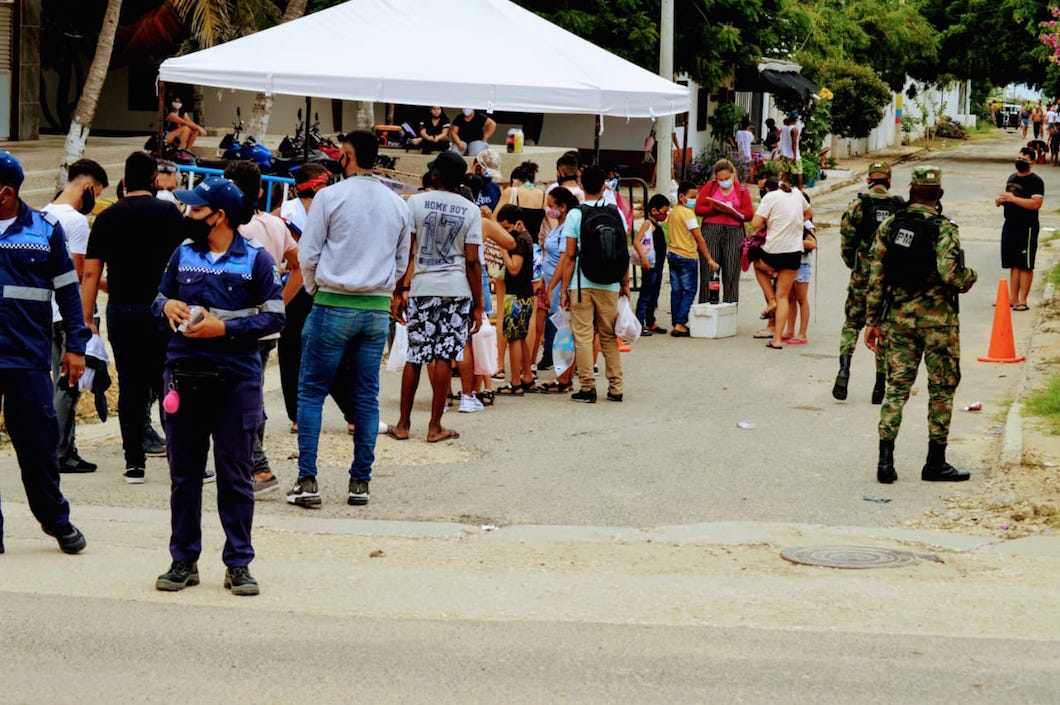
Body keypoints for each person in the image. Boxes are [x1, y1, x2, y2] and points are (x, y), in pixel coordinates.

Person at [153, 176, 285, 595]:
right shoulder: (182, 254)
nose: (188, 216)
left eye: (195, 210)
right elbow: (159, 298)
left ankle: (238, 564)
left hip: (236, 382)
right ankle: (183, 561)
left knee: (235, 477)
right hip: (184, 379)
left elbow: (276, 318)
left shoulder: (257, 261)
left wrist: (221, 329)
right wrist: (167, 305)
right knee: (185, 476)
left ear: (219, 216)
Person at [287, 130, 411, 510]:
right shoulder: (397, 204)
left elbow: (308, 253)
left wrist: (314, 289)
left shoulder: (329, 196)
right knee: (366, 397)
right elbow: (402, 261)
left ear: (346, 155)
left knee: (311, 391)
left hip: (332, 303)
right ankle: (360, 482)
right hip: (375, 311)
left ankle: (307, 479)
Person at [0, 150, 89, 556]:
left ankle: (55, 519)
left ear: (5, 192)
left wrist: (76, 346)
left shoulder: (44, 229)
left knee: (37, 445)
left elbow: (69, 292)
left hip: (27, 358)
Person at [865, 166, 977, 484]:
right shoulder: (945, 228)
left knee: (896, 389)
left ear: (912, 190)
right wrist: (970, 277)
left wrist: (873, 321)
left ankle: (885, 463)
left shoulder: (890, 224)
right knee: (941, 390)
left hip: (898, 320)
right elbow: (950, 274)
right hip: (939, 324)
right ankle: (935, 463)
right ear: (939, 194)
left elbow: (876, 276)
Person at [82, 151, 185, 484]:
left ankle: (134, 463)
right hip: (162, 310)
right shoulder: (169, 213)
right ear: (155, 181)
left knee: (130, 386)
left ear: (124, 182)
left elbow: (90, 273)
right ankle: (180, 459)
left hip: (122, 310)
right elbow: (184, 262)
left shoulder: (107, 217)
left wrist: (86, 318)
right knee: (168, 383)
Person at [390, 150, 483, 439]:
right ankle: (434, 427)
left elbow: (407, 252)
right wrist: (478, 305)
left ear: (435, 175)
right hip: (456, 290)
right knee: (444, 356)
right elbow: (472, 261)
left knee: (415, 355)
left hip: (421, 288)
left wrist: (398, 291)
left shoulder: (415, 203)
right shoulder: (470, 209)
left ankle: (403, 425)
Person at [223, 160, 300, 497]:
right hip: (264, 327)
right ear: (258, 191)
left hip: (238, 326)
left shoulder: (234, 230)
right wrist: (278, 302)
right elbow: (299, 266)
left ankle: (258, 466)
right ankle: (249, 465)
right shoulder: (274, 225)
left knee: (238, 397)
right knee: (250, 392)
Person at [43, 159, 108, 474]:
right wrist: (86, 319)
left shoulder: (42, 214)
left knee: (59, 381)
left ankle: (67, 448)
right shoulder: (77, 222)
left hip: (45, 311)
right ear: (88, 187)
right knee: (69, 384)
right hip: (67, 313)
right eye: (97, 192)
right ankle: (56, 452)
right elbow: (79, 275)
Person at [834, 161, 906, 403]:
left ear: (869, 180)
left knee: (852, 324)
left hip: (861, 275)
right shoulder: (899, 207)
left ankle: (844, 369)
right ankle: (879, 385)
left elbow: (846, 241)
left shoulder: (858, 205)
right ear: (889, 180)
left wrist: (855, 264)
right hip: (888, 278)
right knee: (883, 328)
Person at [558, 165, 628, 403]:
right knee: (608, 336)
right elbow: (623, 252)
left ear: (581, 185)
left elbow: (569, 255)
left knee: (584, 336)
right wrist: (625, 284)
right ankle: (616, 387)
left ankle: (587, 387)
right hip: (609, 284)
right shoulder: (616, 212)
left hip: (581, 282)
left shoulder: (576, 215)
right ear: (603, 186)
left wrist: (564, 290)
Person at [748, 175, 811, 349]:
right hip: (794, 252)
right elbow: (809, 213)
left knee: (756, 263)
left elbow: (755, 224)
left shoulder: (770, 197)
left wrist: (772, 221)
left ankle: (770, 300)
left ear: (769, 188)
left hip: (774, 250)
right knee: (784, 296)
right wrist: (794, 224)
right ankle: (777, 339)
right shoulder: (798, 194)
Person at [694, 159, 753, 304]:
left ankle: (729, 309)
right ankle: (707, 309)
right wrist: (714, 209)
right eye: (720, 179)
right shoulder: (710, 186)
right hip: (711, 231)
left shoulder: (742, 190)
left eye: (727, 179)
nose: (724, 182)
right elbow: (698, 209)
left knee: (731, 273)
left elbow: (749, 214)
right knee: (708, 272)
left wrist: (732, 211)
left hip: (734, 232)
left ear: (733, 174)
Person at [666, 181, 720, 337]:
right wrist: (709, 259)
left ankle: (676, 321)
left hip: (673, 254)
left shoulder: (674, 212)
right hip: (687, 256)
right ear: (682, 197)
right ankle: (680, 323)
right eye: (692, 197)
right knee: (689, 291)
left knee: (676, 291)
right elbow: (699, 237)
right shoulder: (688, 214)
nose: (694, 200)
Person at [995, 147, 1044, 311]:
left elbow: (1036, 203)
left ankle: (1023, 300)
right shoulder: (1012, 177)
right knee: (1013, 264)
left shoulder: (1035, 181)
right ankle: (1012, 298)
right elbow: (1010, 197)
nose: (1020, 161)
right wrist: (1002, 200)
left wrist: (1014, 199)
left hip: (1027, 227)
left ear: (1032, 162)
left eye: (1023, 160)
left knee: (1025, 265)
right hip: (1010, 224)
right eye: (1018, 158)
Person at [494, 204, 536, 395]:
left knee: (513, 338)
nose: (504, 233)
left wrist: (503, 247)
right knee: (520, 336)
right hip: (525, 293)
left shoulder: (518, 241)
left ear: (517, 223)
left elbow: (513, 268)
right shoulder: (526, 237)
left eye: (507, 228)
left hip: (516, 295)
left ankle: (515, 382)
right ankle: (527, 377)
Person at [634, 194, 670, 334]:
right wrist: (644, 258)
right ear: (654, 211)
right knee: (646, 294)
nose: (665, 215)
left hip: (658, 265)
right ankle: (639, 323)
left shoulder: (657, 225)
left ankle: (650, 321)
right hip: (650, 265)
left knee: (654, 294)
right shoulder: (648, 224)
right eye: (664, 212)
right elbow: (637, 241)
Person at [780, 219, 816, 344]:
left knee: (802, 298)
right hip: (789, 263)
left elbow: (813, 244)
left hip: (802, 265)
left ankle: (802, 334)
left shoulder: (807, 224)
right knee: (790, 299)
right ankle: (790, 331)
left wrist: (796, 242)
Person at [779, 113, 803, 189]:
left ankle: (779, 185)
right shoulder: (794, 129)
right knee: (799, 172)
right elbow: (794, 143)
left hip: (784, 153)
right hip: (791, 154)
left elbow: (787, 138)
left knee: (786, 172)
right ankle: (800, 189)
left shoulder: (783, 128)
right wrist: (795, 155)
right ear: (796, 119)